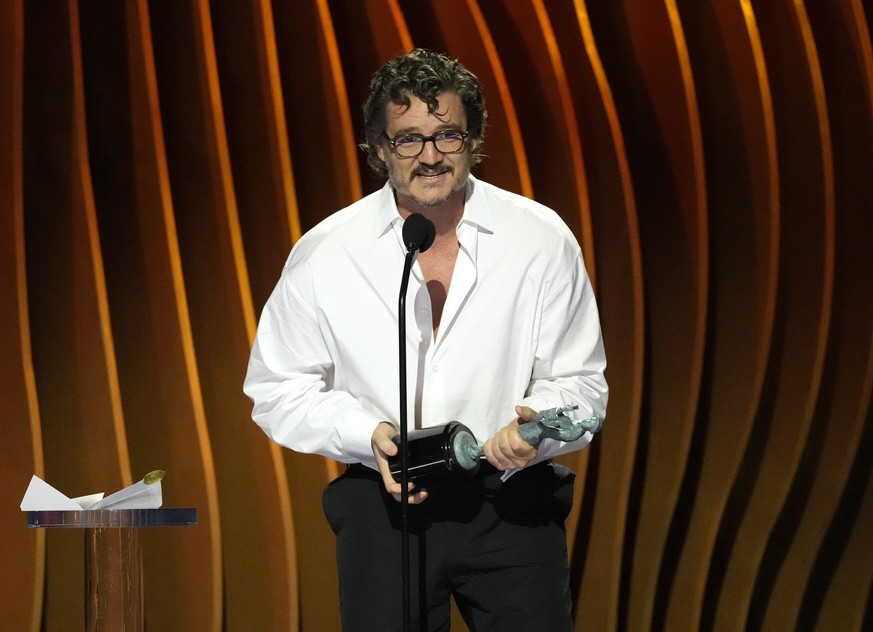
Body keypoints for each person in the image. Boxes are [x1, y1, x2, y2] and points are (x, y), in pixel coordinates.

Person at [244, 48, 607, 631]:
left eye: (447, 135)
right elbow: (276, 388)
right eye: (408, 139)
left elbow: (582, 382)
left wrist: (533, 425)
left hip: (511, 505)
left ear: (474, 139)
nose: (430, 156)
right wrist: (369, 435)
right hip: (386, 512)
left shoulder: (540, 238)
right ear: (380, 149)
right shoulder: (326, 253)